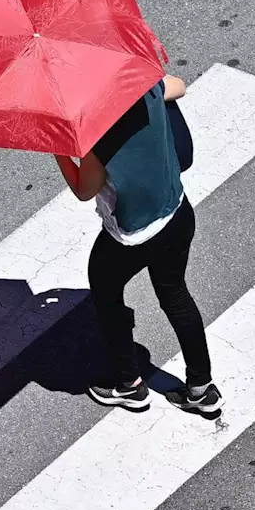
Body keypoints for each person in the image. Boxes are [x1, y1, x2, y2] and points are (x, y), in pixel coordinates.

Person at [53, 74, 224, 413]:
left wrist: (58, 149)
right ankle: (201, 388)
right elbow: (178, 86)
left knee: (104, 291)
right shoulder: (145, 86)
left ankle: (129, 384)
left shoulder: (95, 134)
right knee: (175, 295)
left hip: (132, 236)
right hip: (176, 214)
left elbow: (84, 190)